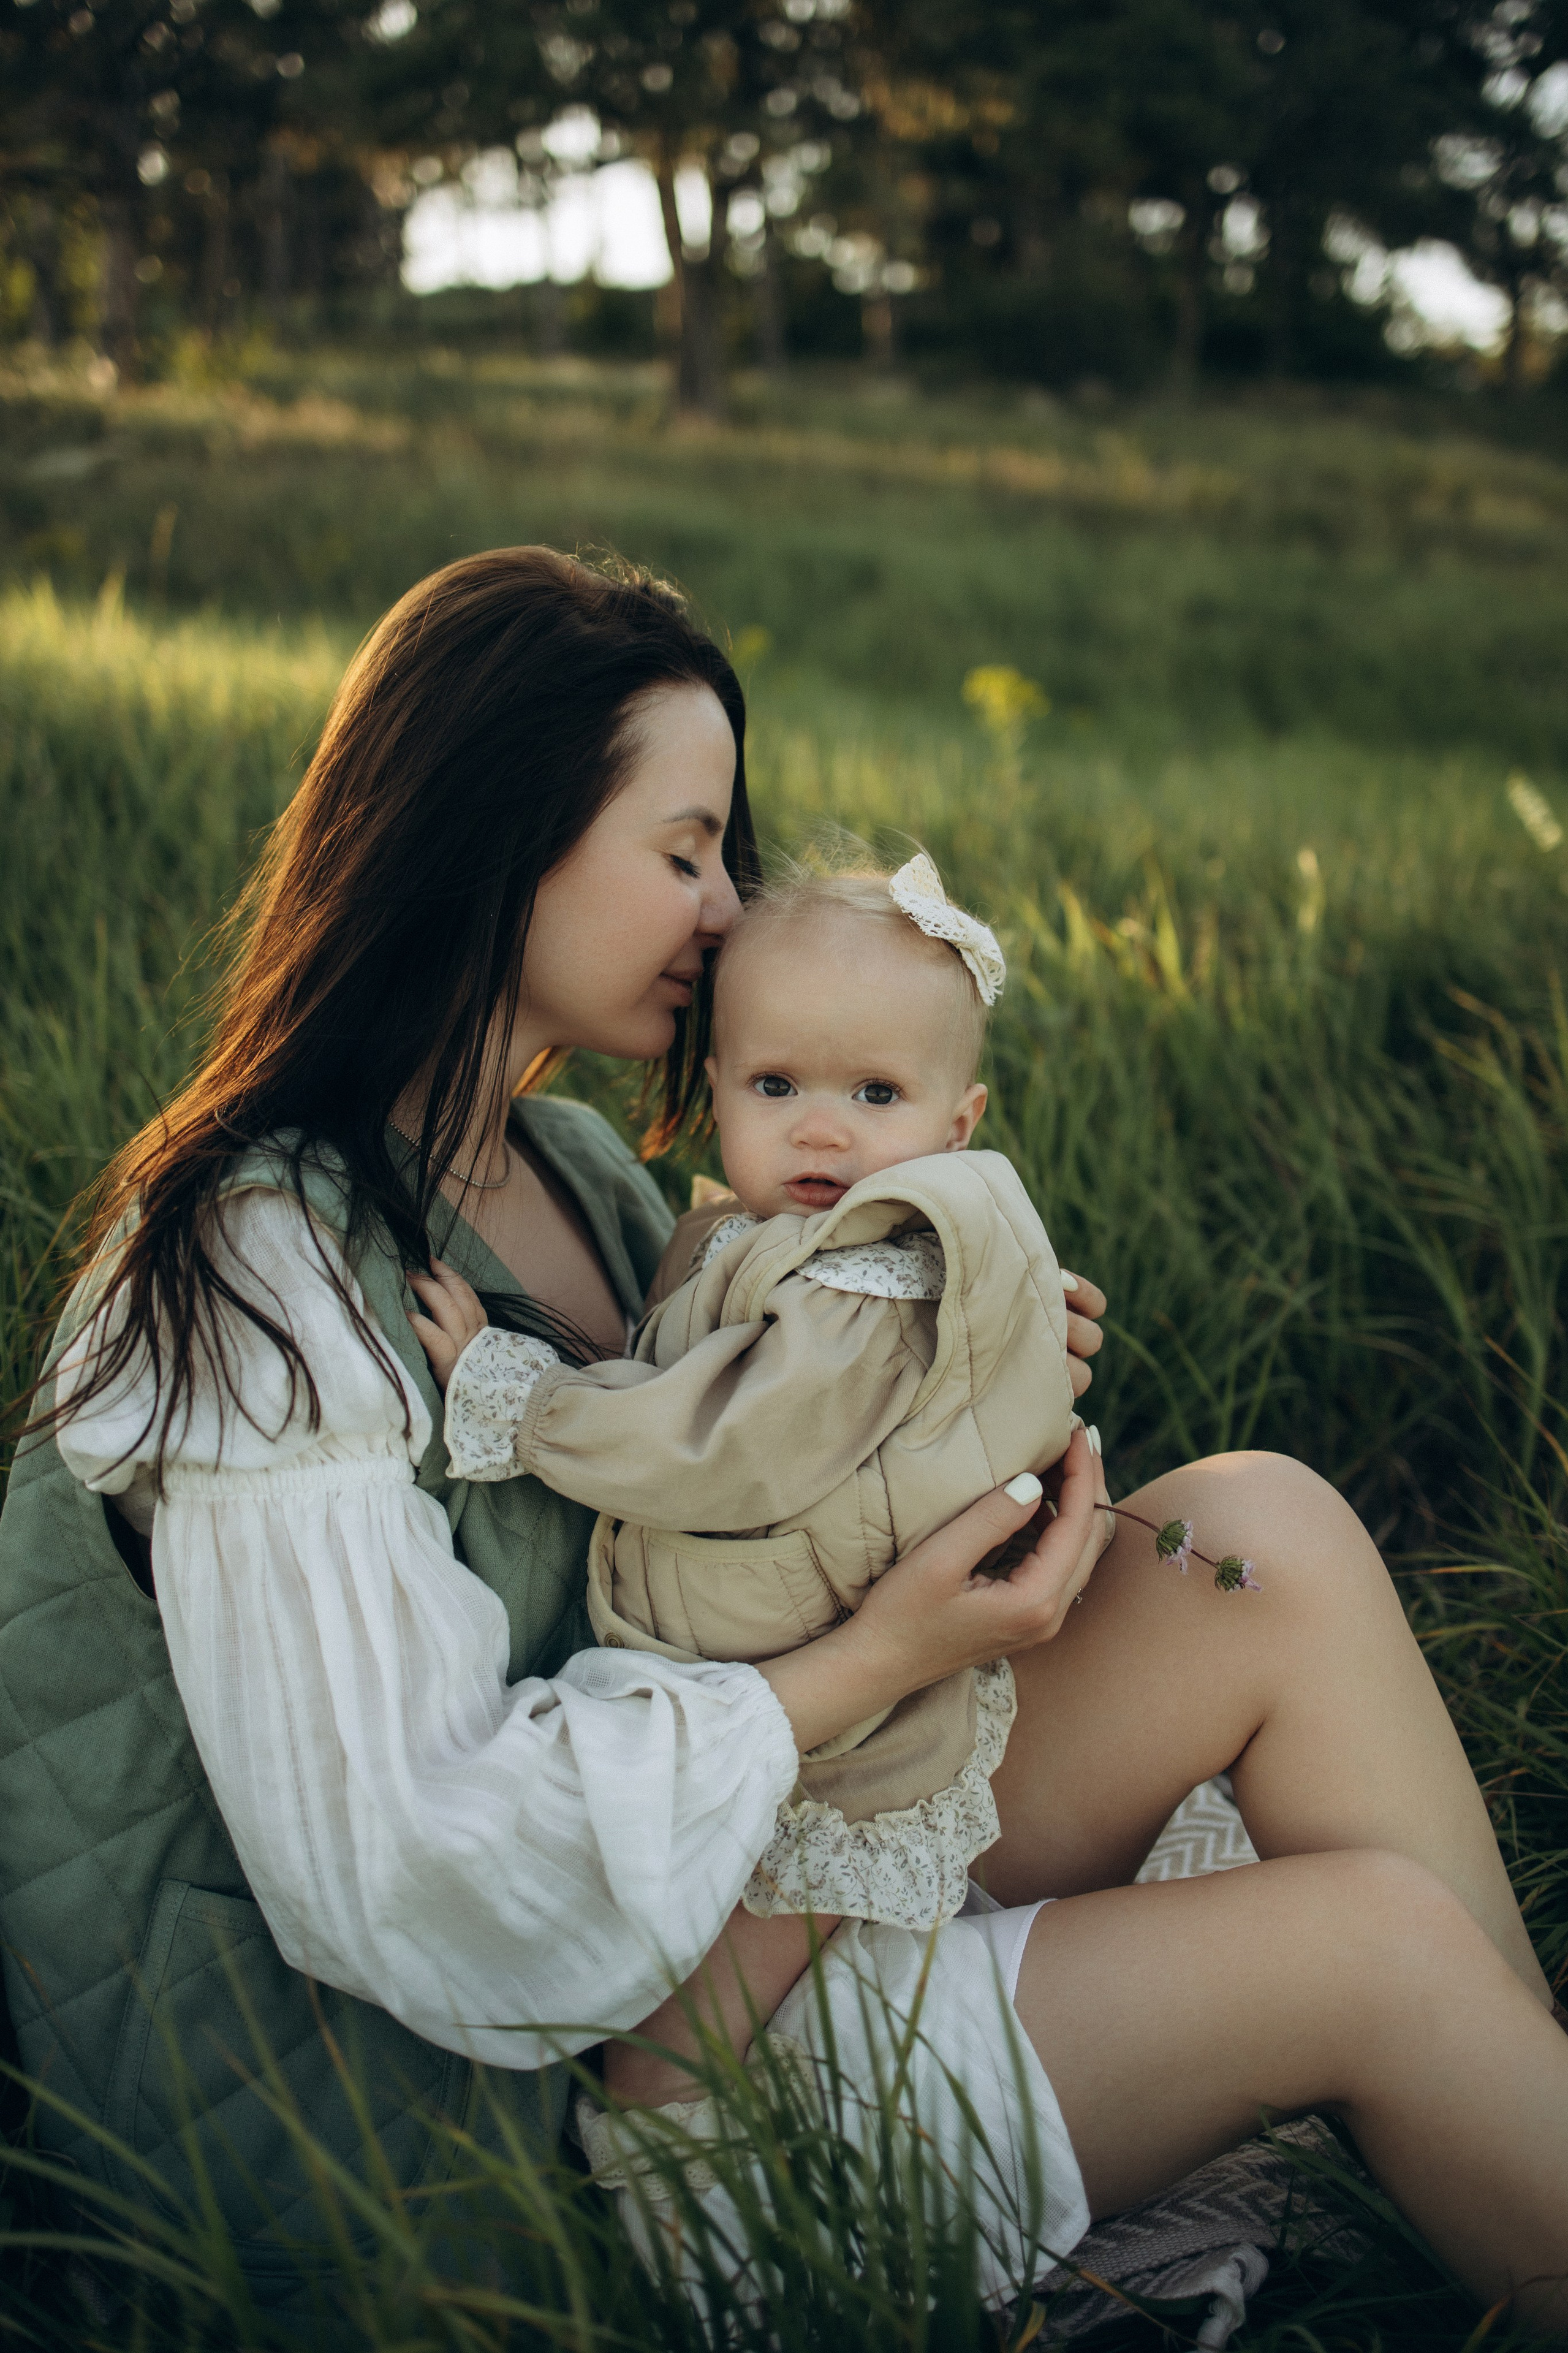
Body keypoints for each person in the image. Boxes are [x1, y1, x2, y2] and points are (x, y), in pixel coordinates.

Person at [6, 546, 1567, 2330]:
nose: (725, 912)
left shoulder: (582, 1178)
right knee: (1371, 1948)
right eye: (683, 851)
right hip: (559, 2117)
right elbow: (413, 1876)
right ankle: (1484, 2136)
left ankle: (1506, 2134)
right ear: (499, 827)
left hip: (742, 1879)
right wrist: (891, 1650)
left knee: (1264, 1535)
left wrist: (958, 1379)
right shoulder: (260, 1266)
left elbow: (751, 1481)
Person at [406, 852, 1081, 1944]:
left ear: (959, 1128)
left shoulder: (866, 1280)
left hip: (833, 1722)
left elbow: (730, 1443)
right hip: (762, 1669)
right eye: (777, 1086)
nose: (822, 1129)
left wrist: (528, 1401)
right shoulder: (744, 1237)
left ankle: (692, 2099)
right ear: (717, 1083)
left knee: (738, 1974)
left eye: (876, 1094)